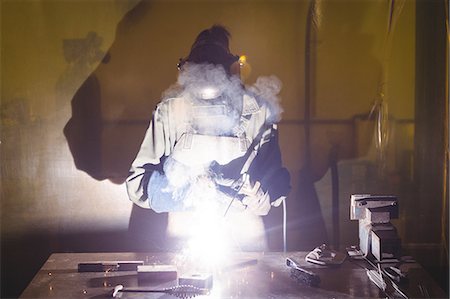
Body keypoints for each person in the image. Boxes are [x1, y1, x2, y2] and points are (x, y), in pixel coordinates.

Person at [126, 25, 290, 249]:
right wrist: (186, 192)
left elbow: (275, 180)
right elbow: (137, 183)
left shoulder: (256, 112)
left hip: (243, 232)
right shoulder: (172, 111)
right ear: (188, 72)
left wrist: (260, 193)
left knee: (253, 282)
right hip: (188, 228)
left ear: (231, 72)